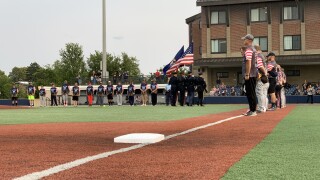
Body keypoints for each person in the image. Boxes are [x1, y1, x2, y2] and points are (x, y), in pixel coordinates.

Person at [241, 34, 258, 116]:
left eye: (245, 39)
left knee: (250, 93)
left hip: (250, 75)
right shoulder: (254, 49)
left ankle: (253, 110)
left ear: (249, 40)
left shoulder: (249, 49)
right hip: (253, 74)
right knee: (251, 92)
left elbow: (248, 62)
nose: (244, 41)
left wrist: (247, 74)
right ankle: (252, 109)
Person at [254, 44, 268, 113]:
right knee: (264, 93)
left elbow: (260, 66)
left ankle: (261, 108)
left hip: (261, 77)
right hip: (265, 77)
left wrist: (263, 74)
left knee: (259, 93)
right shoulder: (262, 56)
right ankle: (265, 107)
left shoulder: (258, 56)